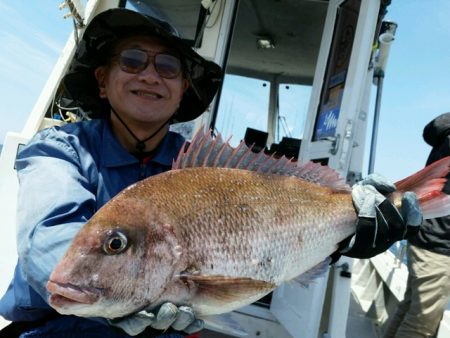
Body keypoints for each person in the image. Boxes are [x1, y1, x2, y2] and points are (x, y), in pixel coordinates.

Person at [0, 7, 420, 338]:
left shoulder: (202, 166)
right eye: (131, 61)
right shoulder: (58, 150)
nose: (149, 75)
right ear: (103, 80)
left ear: (183, 88)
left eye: (167, 67)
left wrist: (349, 232)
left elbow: (281, 239)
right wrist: (115, 297)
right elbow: (47, 237)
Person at [383, 113, 450, 338]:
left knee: (409, 308)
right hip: (438, 244)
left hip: (424, 234)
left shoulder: (446, 136)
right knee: (421, 325)